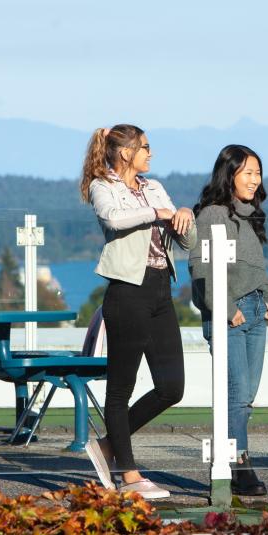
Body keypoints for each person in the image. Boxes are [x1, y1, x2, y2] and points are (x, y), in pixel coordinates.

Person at [80, 124, 197, 500]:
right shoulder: (103, 186)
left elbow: (185, 239)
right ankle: (128, 474)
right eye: (145, 147)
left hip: (161, 290)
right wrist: (157, 212)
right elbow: (113, 220)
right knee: (121, 388)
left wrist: (183, 216)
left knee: (171, 387)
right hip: (127, 291)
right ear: (125, 152)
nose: (151, 154)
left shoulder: (154, 186)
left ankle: (107, 446)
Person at [189, 145, 268, 497]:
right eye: (247, 173)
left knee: (246, 396)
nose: (255, 180)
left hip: (254, 310)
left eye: (258, 173)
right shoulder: (212, 214)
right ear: (230, 175)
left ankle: (234, 460)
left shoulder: (250, 214)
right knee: (237, 394)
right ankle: (237, 465)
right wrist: (225, 307)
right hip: (231, 314)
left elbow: (257, 266)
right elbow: (202, 267)